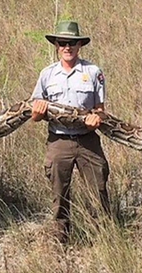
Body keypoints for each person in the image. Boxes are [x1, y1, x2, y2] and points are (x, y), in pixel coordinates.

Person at [30, 20, 111, 244]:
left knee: (99, 190)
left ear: (79, 45)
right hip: (59, 140)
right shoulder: (47, 74)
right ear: (56, 45)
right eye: (63, 42)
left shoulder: (94, 72)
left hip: (87, 140)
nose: (67, 47)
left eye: (72, 43)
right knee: (59, 194)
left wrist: (97, 118)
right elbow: (34, 115)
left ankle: (105, 239)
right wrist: (38, 111)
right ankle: (61, 241)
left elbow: (102, 111)